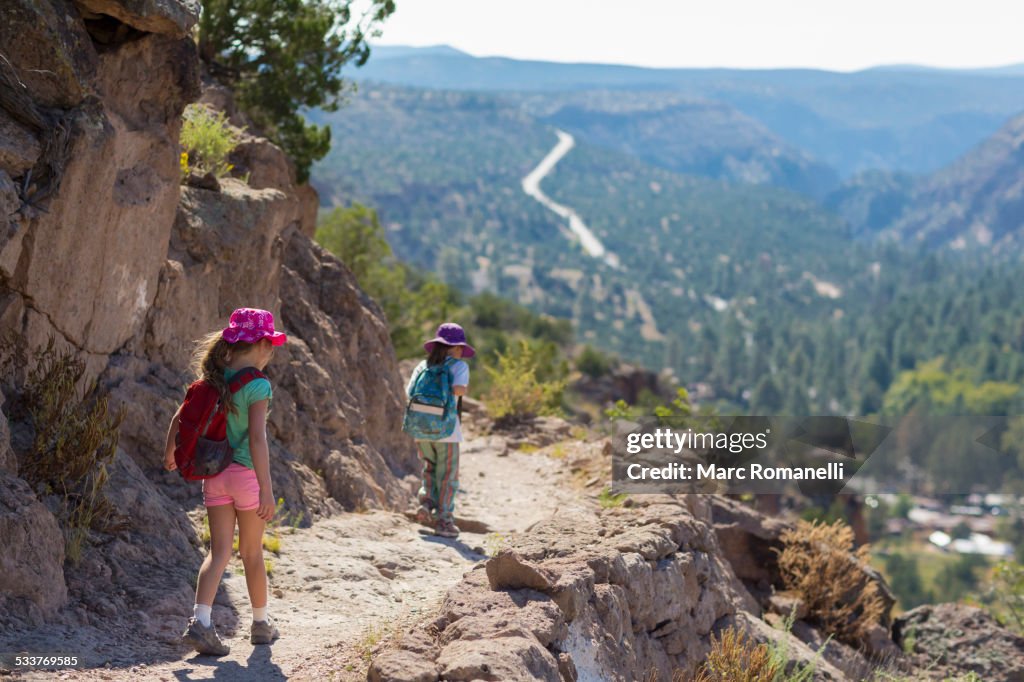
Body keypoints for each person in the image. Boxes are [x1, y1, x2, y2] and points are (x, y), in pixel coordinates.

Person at [163, 308, 287, 656]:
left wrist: (170, 450)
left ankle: (200, 623)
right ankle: (261, 624)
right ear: (262, 345)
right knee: (251, 553)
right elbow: (258, 440)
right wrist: (266, 488)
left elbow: (179, 415)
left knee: (218, 553)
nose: (271, 353)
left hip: (214, 476)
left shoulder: (213, 379)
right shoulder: (258, 385)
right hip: (246, 476)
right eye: (271, 346)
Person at [406, 323, 474, 538]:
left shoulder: (422, 366)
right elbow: (460, 390)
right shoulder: (459, 366)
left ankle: (426, 504)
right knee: (447, 476)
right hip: (447, 431)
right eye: (461, 347)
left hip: (420, 428)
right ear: (455, 348)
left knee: (429, 469)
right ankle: (444, 521)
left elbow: (409, 392)